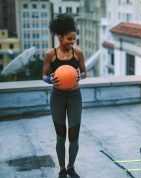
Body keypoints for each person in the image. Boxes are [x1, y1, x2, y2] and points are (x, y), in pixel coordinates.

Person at [42, 13, 86, 178]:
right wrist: (50, 80)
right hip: (57, 98)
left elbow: (84, 73)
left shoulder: (78, 53)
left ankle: (71, 166)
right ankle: (61, 168)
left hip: (75, 97)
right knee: (61, 137)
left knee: (73, 137)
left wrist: (79, 76)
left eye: (74, 39)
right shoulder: (50, 54)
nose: (72, 42)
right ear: (60, 37)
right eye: (69, 39)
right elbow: (44, 75)